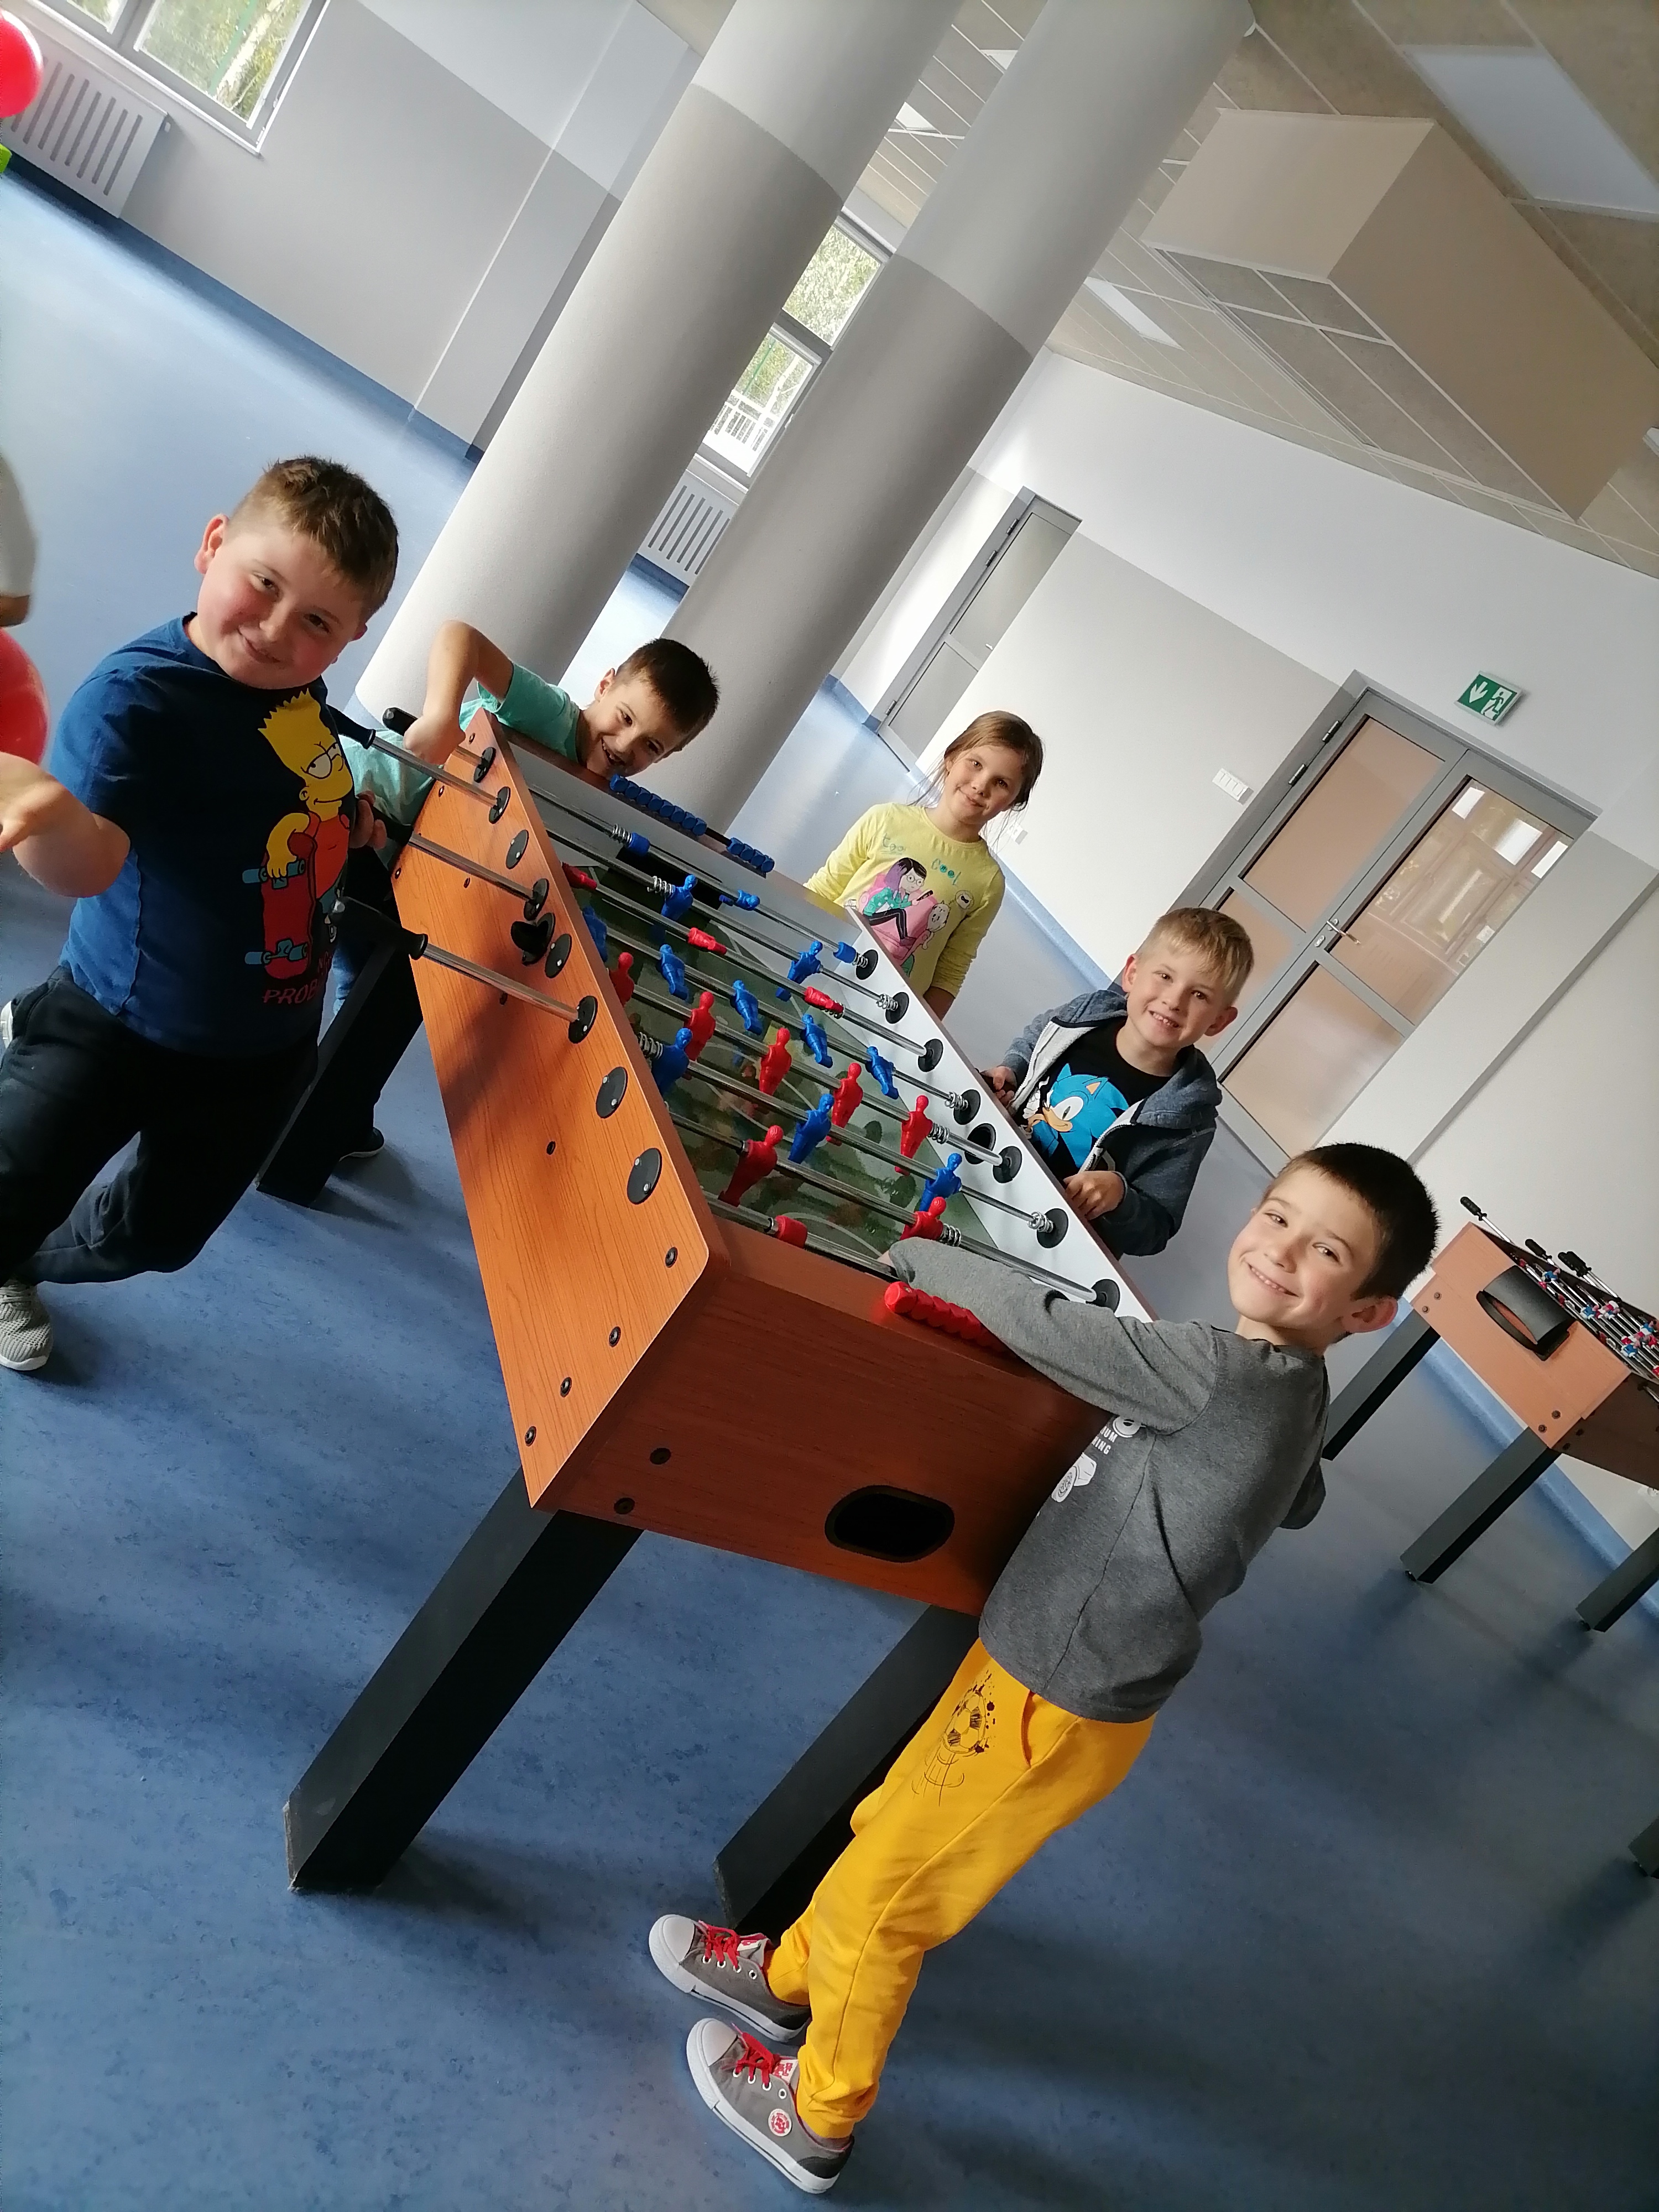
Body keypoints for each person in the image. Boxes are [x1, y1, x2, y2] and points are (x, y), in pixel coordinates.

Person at [648, 1142, 1438, 2194]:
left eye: (1327, 1251)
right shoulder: (1289, 1389)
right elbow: (1302, 1498)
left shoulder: (1225, 1372)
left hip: (1055, 1697)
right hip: (1034, 1661)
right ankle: (786, 1978)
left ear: (1368, 1311)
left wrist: (927, 1255)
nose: (1282, 1250)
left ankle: (817, 2116)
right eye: (1278, 1215)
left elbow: (1053, 1327)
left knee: (888, 1902)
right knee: (889, 1823)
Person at [0, 456, 399, 1374]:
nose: (274, 630)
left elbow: (295, 784)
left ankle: (25, 1255)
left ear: (351, 637)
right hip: (119, 1023)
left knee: (159, 1236)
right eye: (264, 584)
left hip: (265, 1050)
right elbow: (90, 865)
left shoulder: (299, 695)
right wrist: (51, 819)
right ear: (214, 543)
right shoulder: (135, 701)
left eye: (317, 622)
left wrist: (345, 819)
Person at [297, 621, 720, 1170]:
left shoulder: (594, 804)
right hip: (360, 804)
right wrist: (441, 714)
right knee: (344, 971)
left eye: (651, 747)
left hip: (400, 863)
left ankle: (330, 1111)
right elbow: (461, 637)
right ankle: (312, 1107)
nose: (625, 746)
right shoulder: (552, 715)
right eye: (624, 718)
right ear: (604, 685)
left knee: (376, 982)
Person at [982, 905, 1255, 1257]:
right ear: (1133, 973)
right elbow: (1034, 1042)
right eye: (1165, 976)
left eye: (1199, 995)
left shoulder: (1190, 1119)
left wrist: (1120, 1197)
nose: (1174, 1001)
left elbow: (1156, 1228)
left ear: (1219, 1021)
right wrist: (1011, 1072)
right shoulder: (1085, 1014)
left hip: (1047, 1243)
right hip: (991, 1168)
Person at [804, 711, 1042, 1021]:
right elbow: (824, 887)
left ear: (1013, 801)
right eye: (975, 764)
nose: (981, 786)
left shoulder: (988, 883)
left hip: (878, 1013)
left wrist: (915, 1032)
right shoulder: (885, 819)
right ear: (952, 757)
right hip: (818, 966)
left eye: (1001, 783)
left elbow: (951, 970)